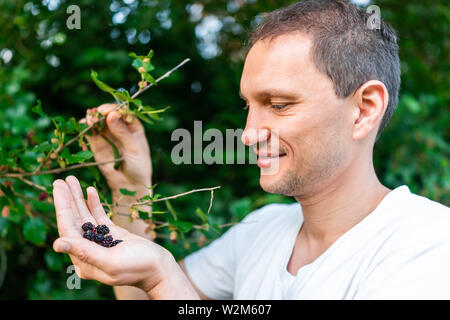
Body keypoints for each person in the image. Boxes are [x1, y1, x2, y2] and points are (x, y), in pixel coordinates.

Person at [52, 0, 450, 299]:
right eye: (249, 106)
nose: (248, 134)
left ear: (364, 110)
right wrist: (132, 188)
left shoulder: (427, 246)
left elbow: (166, 287)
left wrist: (164, 275)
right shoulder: (261, 231)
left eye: (278, 105)